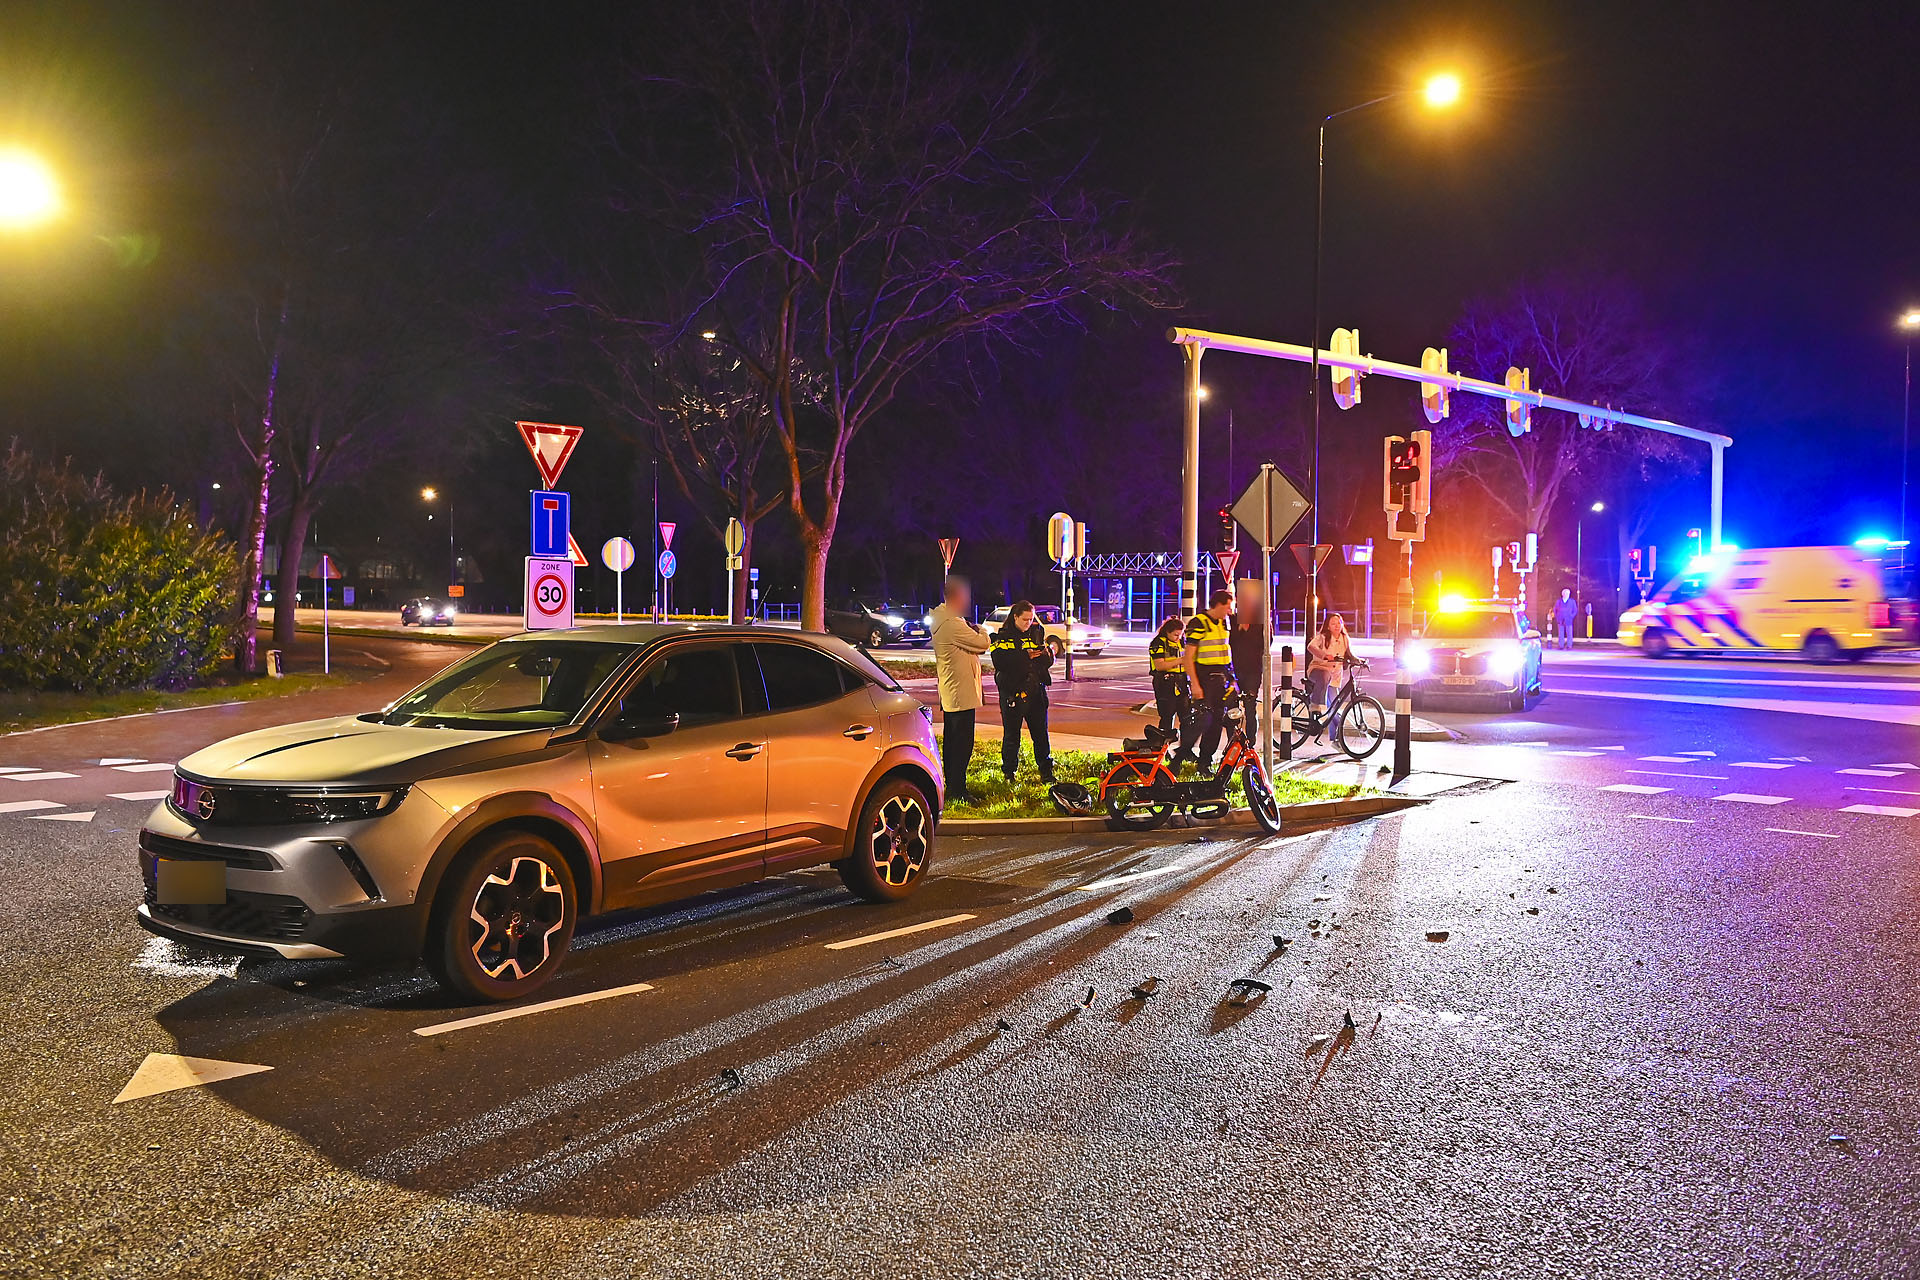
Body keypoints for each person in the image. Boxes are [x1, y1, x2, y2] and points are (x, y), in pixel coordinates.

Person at [929, 576, 990, 803]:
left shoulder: (946, 619)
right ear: (955, 596)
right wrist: (982, 630)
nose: (967, 600)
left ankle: (955, 785)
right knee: (961, 744)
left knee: (955, 742)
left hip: (955, 693)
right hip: (960, 695)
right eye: (965, 596)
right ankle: (957, 789)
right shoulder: (952, 623)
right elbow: (982, 644)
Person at [990, 600, 1055, 782]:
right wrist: (1024, 655)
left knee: (1041, 734)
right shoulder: (1002, 637)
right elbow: (999, 662)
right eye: (1025, 619)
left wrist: (1045, 653)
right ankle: (1009, 773)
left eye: (1031, 619)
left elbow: (1048, 663)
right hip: (1013, 692)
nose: (1028, 623)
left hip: (1036, 692)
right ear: (1015, 617)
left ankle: (1046, 772)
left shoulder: (1036, 634)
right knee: (1012, 735)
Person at [1179, 589, 1237, 770]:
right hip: (1204, 679)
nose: (1230, 611)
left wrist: (1232, 678)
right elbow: (1188, 657)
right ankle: (1179, 758)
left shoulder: (1224, 622)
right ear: (1218, 604)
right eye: (1227, 606)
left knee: (1217, 722)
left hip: (1221, 679)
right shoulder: (1199, 623)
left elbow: (1225, 652)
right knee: (1202, 721)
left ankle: (1205, 761)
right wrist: (1195, 685)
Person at [1228, 583, 1269, 730]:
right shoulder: (1231, 620)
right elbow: (1228, 642)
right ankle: (1232, 742)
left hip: (1253, 670)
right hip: (1233, 670)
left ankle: (1250, 744)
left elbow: (1266, 643)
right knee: (1231, 709)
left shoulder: (1261, 622)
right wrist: (1240, 628)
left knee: (1250, 706)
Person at [1305, 612, 1353, 727]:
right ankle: (1315, 705)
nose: (1337, 625)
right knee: (1325, 675)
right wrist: (1324, 655)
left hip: (1335, 676)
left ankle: (1335, 739)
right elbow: (1311, 647)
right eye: (1333, 624)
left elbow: (1350, 654)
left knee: (1334, 707)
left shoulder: (1345, 638)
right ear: (1328, 626)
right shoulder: (1323, 637)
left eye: (1339, 623)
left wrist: (1359, 661)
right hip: (1318, 669)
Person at [1146, 616, 1189, 738]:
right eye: (1176, 635)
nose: (1178, 638)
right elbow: (1160, 666)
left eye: (1180, 634)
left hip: (1182, 681)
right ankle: (1163, 747)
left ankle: (1185, 748)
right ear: (1167, 632)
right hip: (1165, 682)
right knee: (1167, 716)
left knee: (1186, 717)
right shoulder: (1158, 643)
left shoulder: (1181, 641)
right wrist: (1180, 660)